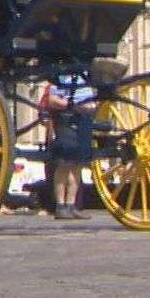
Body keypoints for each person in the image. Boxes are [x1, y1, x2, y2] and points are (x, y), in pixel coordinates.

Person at [45, 74, 97, 220]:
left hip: (84, 120)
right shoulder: (61, 77)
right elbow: (52, 100)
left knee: (77, 164)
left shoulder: (86, 77)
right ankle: (60, 206)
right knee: (64, 164)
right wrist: (72, 105)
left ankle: (71, 205)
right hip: (67, 118)